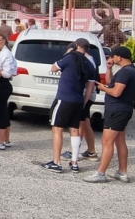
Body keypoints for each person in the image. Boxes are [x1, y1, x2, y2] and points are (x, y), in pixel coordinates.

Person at [84, 47, 135, 183]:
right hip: (123, 109)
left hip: (117, 110)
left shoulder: (125, 72)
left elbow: (115, 92)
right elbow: (111, 83)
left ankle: (101, 173)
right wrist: (109, 69)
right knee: (120, 140)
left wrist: (103, 88)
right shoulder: (131, 71)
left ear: (119, 57)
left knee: (106, 141)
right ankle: (122, 172)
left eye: (113, 57)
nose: (111, 59)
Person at [41, 38, 96, 173]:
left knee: (57, 128)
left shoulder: (69, 57)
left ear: (76, 46)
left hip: (64, 98)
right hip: (78, 100)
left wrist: (67, 54)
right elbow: (90, 87)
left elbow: (54, 68)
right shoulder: (89, 64)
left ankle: (56, 162)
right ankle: (74, 162)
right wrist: (84, 102)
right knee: (75, 129)